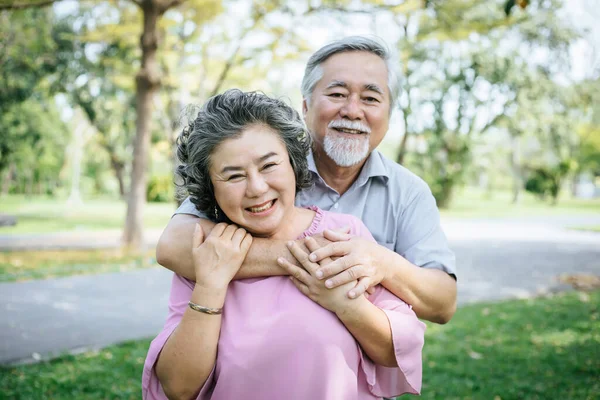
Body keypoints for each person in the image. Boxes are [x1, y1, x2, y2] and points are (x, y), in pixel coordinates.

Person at [142, 89, 425, 400]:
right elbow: (178, 387)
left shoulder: (343, 234)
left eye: (268, 166)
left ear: (293, 162)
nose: (257, 188)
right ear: (211, 188)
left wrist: (345, 305)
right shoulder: (210, 251)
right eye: (234, 176)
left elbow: (395, 350)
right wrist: (210, 285)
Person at [156, 36, 457, 324]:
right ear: (305, 106)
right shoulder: (266, 171)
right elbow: (173, 245)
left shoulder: (408, 192)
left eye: (370, 98)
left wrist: (382, 262)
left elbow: (442, 302)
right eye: (337, 94)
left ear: (388, 113)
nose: (353, 111)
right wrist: (318, 258)